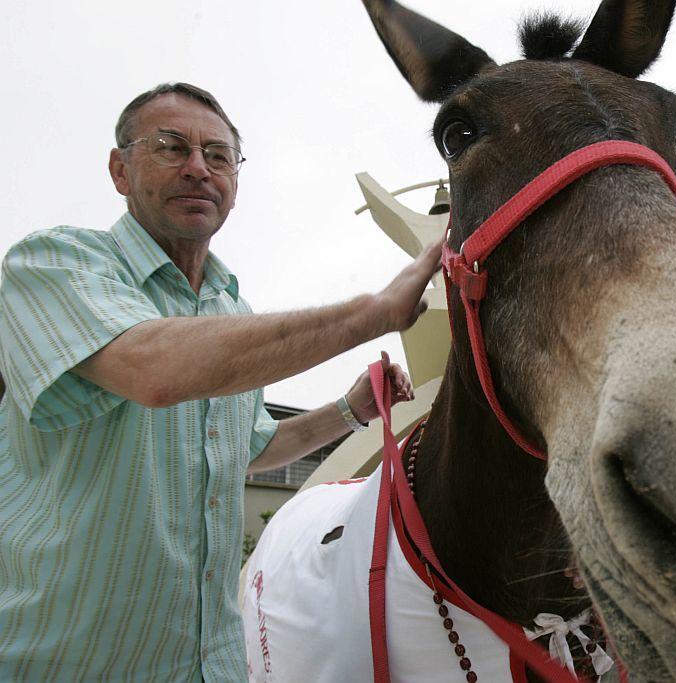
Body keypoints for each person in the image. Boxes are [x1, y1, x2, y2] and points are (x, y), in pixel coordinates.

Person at [0, 82, 442, 683]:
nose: (197, 169)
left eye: (218, 156)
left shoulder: (233, 314)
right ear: (119, 169)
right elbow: (151, 370)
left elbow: (251, 450)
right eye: (170, 146)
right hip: (66, 662)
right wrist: (375, 312)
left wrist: (351, 409)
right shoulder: (54, 264)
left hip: (212, 664)